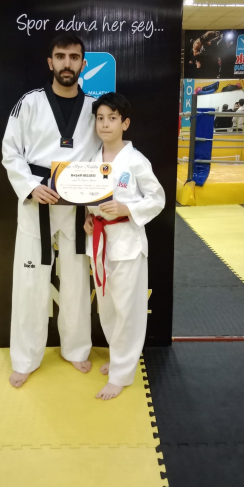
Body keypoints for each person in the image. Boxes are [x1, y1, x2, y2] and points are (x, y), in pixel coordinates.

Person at [2, 33, 101, 388]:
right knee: (30, 284)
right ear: (50, 62)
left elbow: (102, 157)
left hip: (77, 207)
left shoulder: (96, 108)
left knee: (76, 282)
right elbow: (10, 151)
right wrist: (30, 186)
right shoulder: (28, 103)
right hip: (37, 202)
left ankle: (76, 349)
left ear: (83, 64)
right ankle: (25, 358)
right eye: (60, 56)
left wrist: (94, 204)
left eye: (74, 57)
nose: (67, 63)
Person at [83, 93, 165, 401]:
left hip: (128, 243)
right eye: (100, 118)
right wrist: (88, 218)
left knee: (127, 310)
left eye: (112, 118)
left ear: (125, 123)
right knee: (106, 308)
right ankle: (119, 359)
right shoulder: (91, 160)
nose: (105, 124)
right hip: (99, 242)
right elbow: (87, 199)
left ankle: (121, 374)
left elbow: (157, 199)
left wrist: (127, 209)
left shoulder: (136, 160)